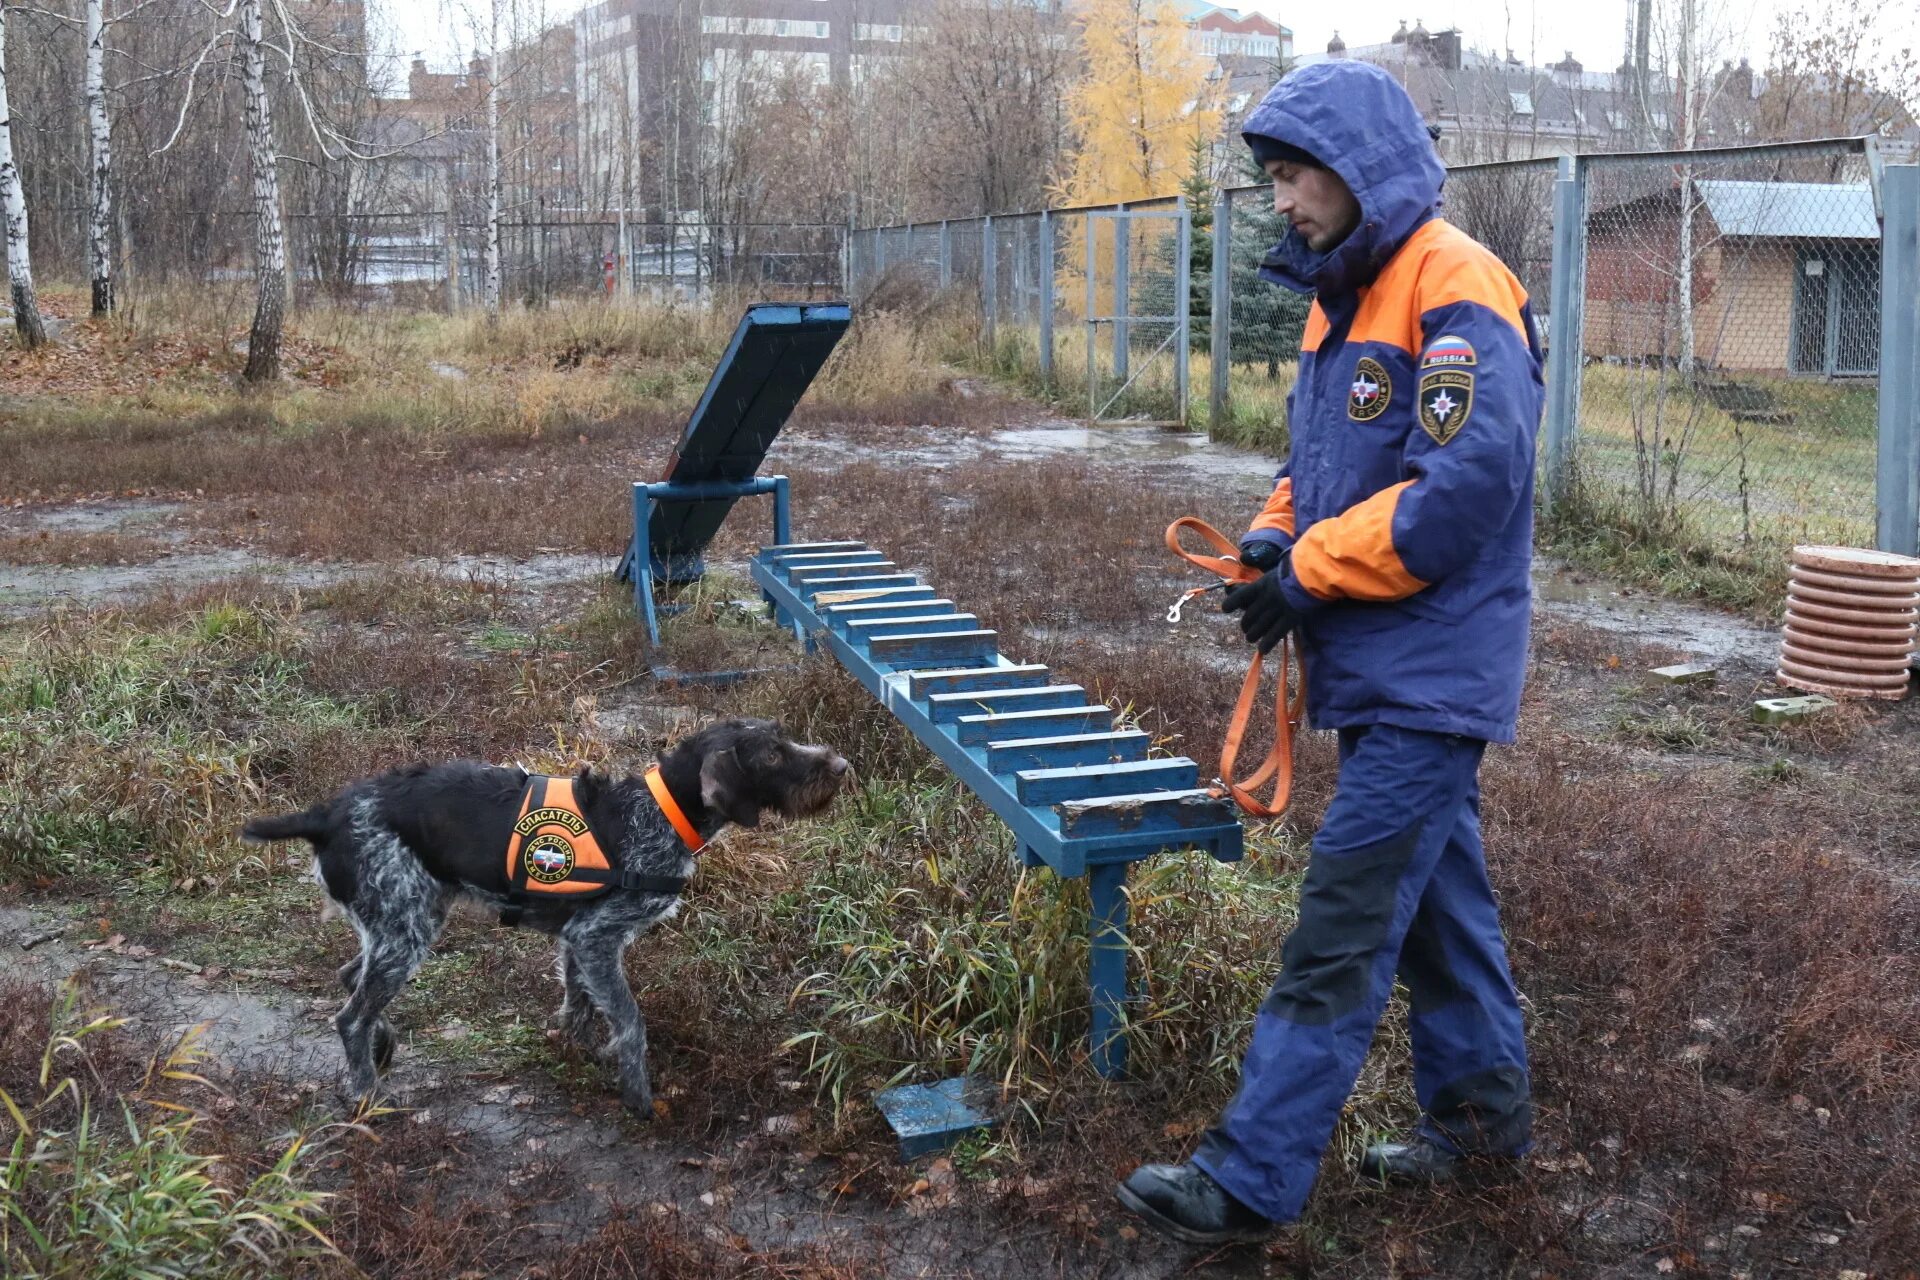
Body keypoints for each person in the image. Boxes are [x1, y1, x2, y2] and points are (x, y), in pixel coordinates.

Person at [1115, 60, 1545, 1246]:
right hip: (1386, 669)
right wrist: (1269, 538)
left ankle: (1250, 1178)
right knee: (1439, 907)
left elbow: (1463, 487)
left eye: (1295, 175)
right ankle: (1481, 1123)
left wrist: (1310, 571)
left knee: (1343, 923)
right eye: (1273, 181)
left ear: (1358, 167)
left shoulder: (1455, 283)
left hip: (1433, 673)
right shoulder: (1339, 299)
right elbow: (1325, 467)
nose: (1284, 201)